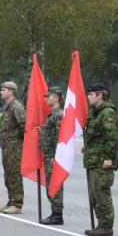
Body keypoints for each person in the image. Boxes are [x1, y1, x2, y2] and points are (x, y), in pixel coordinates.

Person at [83, 82, 118, 236]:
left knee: (102, 193)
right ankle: (101, 224)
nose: (88, 97)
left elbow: (112, 138)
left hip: (102, 161)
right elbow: (96, 135)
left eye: (91, 94)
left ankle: (106, 226)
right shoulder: (96, 112)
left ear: (100, 95)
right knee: (95, 194)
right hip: (94, 159)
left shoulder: (107, 113)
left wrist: (108, 158)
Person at [0, 81, 25, 214]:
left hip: (15, 148)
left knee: (14, 175)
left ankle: (17, 204)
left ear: (11, 91)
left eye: (4, 90)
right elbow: (9, 126)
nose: (1, 92)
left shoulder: (16, 106)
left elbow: (23, 126)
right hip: (7, 147)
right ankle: (11, 200)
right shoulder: (7, 106)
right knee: (8, 175)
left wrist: (16, 141)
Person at [39, 88, 64, 225]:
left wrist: (56, 155)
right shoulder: (52, 115)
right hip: (49, 155)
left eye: (49, 96)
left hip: (53, 156)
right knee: (50, 184)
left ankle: (57, 214)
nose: (46, 99)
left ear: (56, 98)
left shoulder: (58, 115)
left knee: (55, 185)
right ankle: (55, 212)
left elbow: (59, 137)